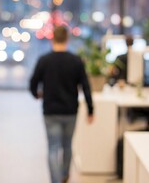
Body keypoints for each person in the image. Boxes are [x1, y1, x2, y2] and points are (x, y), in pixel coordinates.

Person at [29, 26, 94, 183]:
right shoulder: (76, 61)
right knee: (67, 145)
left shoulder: (44, 60)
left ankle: (55, 180)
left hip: (50, 111)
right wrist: (91, 110)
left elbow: (33, 82)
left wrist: (36, 95)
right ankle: (65, 175)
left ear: (53, 39)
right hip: (70, 110)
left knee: (53, 147)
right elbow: (86, 86)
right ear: (67, 39)